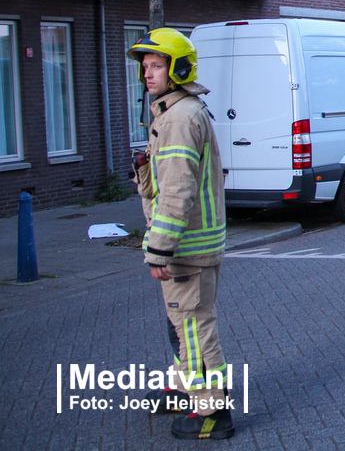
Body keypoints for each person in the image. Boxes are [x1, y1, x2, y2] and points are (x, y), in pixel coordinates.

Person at [128, 28, 234, 440]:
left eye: (156, 65)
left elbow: (177, 192)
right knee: (182, 324)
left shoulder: (178, 117)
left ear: (178, 69)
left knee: (193, 327)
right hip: (191, 244)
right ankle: (184, 387)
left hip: (186, 248)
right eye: (145, 66)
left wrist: (159, 250)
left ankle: (212, 413)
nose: (146, 73)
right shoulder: (175, 112)